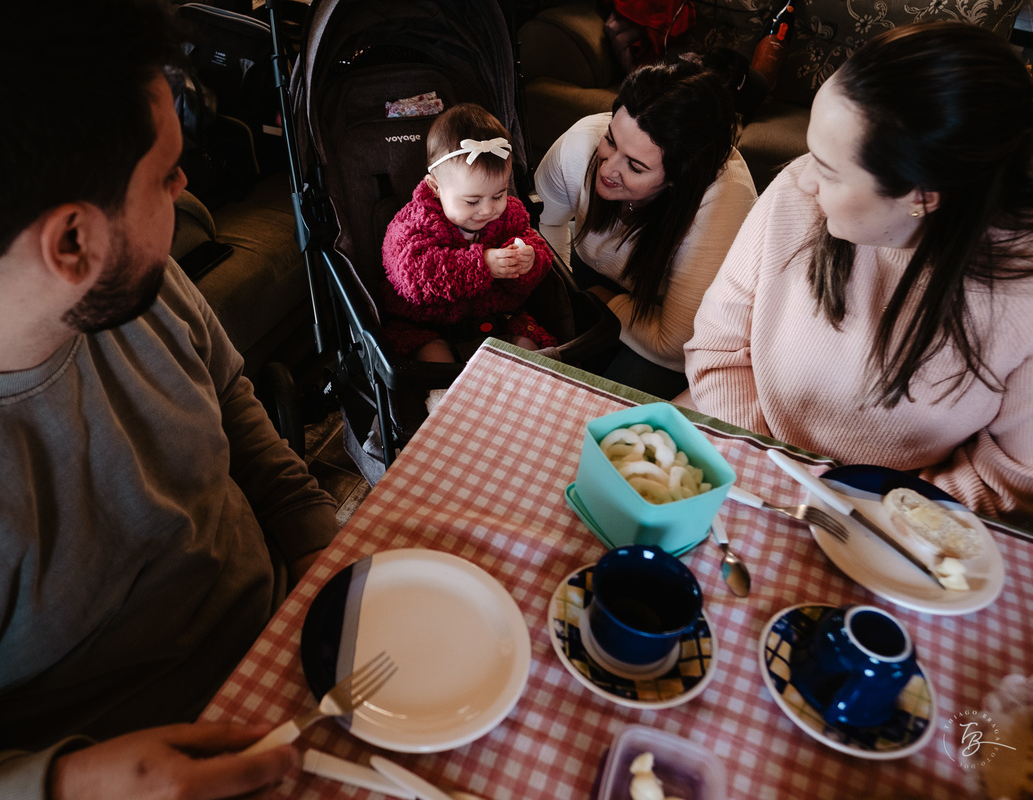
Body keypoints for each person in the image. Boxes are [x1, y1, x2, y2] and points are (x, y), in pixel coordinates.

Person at [0, 1, 339, 797]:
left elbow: (226, 394)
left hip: (298, 648)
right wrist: (66, 785)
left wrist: (318, 544)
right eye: (169, 177)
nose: (185, 190)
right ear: (71, 243)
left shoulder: (119, 277)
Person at [684, 22, 1033, 522]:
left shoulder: (1022, 297)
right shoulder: (793, 198)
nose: (801, 179)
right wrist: (775, 468)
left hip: (901, 526)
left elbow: (1013, 480)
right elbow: (717, 349)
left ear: (922, 195)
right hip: (754, 468)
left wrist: (866, 512)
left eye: (828, 170)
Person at [534, 57, 757, 399]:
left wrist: (601, 300)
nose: (607, 169)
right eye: (611, 141)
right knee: (543, 376)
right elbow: (547, 223)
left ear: (678, 179)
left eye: (635, 167)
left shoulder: (723, 202)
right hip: (589, 274)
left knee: (604, 405)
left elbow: (672, 342)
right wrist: (569, 294)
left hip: (674, 320)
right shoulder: (580, 144)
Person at [381, 103, 558, 364]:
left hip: (501, 319)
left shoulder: (510, 213)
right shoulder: (414, 223)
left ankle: (531, 392)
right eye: (472, 201)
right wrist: (482, 265)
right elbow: (413, 276)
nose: (487, 209)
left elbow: (532, 242)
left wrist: (527, 259)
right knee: (434, 361)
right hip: (428, 326)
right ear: (436, 187)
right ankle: (448, 397)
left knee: (532, 348)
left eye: (498, 195)